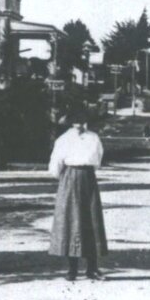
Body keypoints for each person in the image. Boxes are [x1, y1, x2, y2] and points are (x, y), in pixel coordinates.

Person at [48, 106, 108, 282]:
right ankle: (72, 269)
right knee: (71, 222)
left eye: (82, 122)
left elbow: (97, 160)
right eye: (75, 123)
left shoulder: (93, 138)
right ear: (70, 123)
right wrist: (66, 177)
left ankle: (92, 269)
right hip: (69, 178)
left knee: (91, 221)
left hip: (88, 177)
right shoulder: (64, 140)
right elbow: (55, 165)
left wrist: (85, 170)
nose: (79, 126)